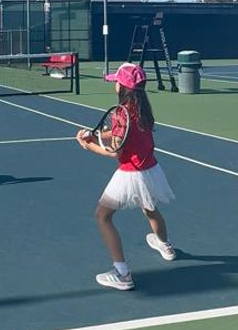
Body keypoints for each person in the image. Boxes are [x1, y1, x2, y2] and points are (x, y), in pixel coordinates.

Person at [75, 62, 176, 291]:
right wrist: (100, 134)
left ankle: (122, 273)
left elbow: (115, 152)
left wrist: (88, 145)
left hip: (131, 174)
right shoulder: (142, 109)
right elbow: (125, 133)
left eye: (117, 82)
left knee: (102, 216)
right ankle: (165, 245)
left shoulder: (121, 114)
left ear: (123, 87)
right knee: (150, 208)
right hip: (151, 170)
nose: (115, 85)